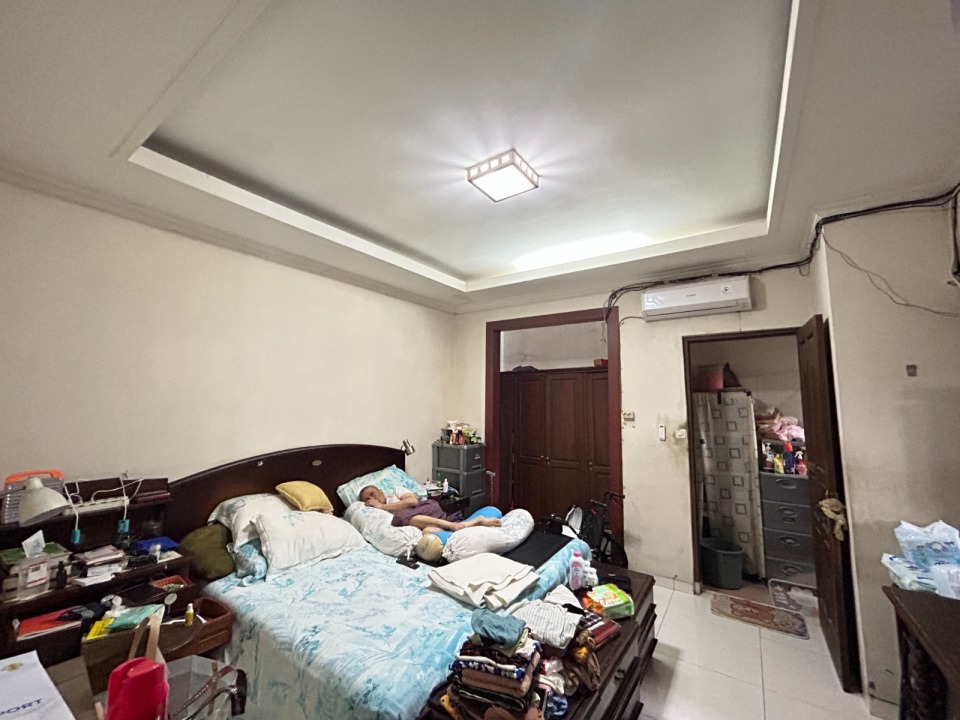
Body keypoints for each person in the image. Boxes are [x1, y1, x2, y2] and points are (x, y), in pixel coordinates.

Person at [358, 485, 502, 532]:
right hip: (421, 522)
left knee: (401, 516)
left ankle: (452, 526)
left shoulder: (396, 491)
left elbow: (412, 501)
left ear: (381, 491)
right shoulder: (373, 513)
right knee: (429, 532)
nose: (372, 498)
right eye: (368, 499)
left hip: (426, 508)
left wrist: (383, 506)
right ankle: (474, 523)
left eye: (373, 494)